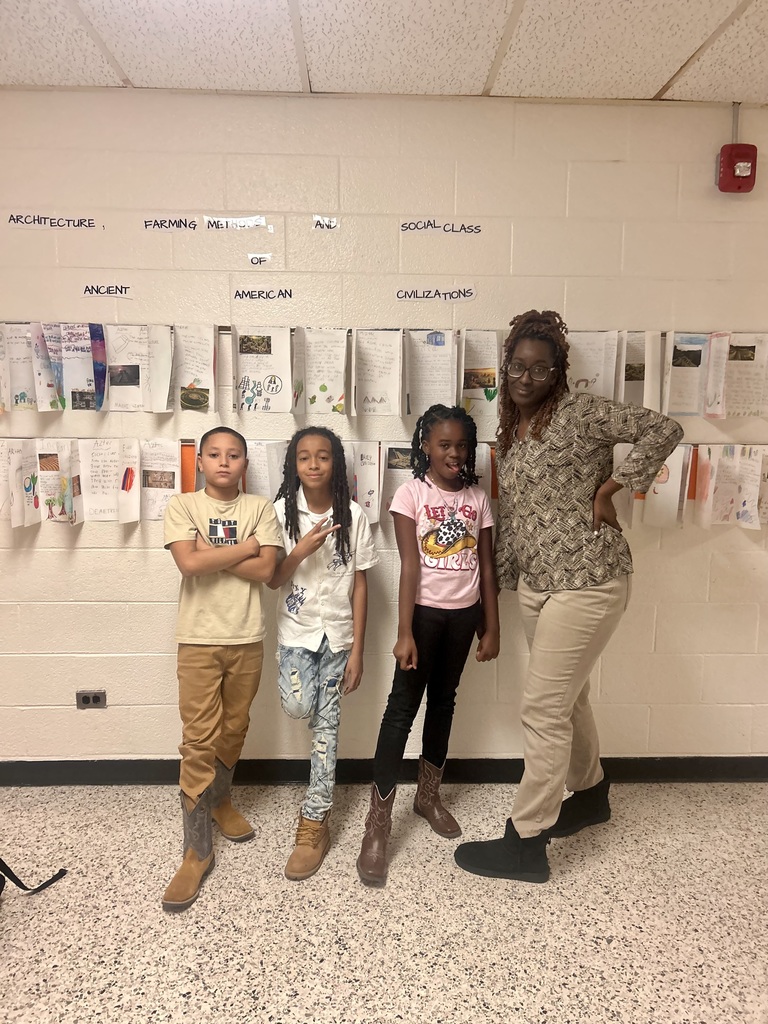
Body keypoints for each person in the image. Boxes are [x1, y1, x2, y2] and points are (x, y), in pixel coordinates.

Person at [454, 309, 683, 884]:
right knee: (569, 699)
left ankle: (526, 843)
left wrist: (613, 488)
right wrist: (494, 591)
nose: (526, 378)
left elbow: (662, 429)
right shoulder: (511, 431)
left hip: (589, 580)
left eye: (540, 368)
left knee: (542, 710)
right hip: (539, 586)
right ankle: (591, 794)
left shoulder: (580, 414)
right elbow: (517, 516)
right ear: (506, 368)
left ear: (557, 372)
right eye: (517, 367)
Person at [357, 404, 500, 887]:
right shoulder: (411, 493)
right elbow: (410, 565)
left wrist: (491, 625)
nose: (454, 453)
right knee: (401, 710)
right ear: (426, 447)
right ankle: (377, 825)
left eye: (462, 445)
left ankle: (428, 796)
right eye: (444, 445)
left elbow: (486, 566)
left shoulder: (478, 498)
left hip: (464, 617)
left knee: (443, 703)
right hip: (422, 617)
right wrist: (404, 632)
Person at [161, 426, 283, 911]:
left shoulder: (261, 508)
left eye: (234, 455)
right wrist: (245, 548)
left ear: (245, 464)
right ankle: (196, 851)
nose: (224, 461)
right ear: (201, 462)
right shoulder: (183, 506)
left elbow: (267, 572)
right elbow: (188, 566)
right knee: (198, 740)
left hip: (246, 637)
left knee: (235, 726)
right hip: (197, 640)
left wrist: (209, 554)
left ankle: (221, 801)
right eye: (214, 454)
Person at [270, 427, 378, 880]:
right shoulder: (279, 513)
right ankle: (318, 788)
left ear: (336, 464)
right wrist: (300, 550)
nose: (313, 464)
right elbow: (273, 579)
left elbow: (361, 584)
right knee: (299, 706)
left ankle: (315, 818)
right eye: (304, 457)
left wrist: (358, 652)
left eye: (323, 456)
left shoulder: (353, 515)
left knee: (326, 729)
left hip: (337, 638)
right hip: (296, 633)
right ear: (293, 465)